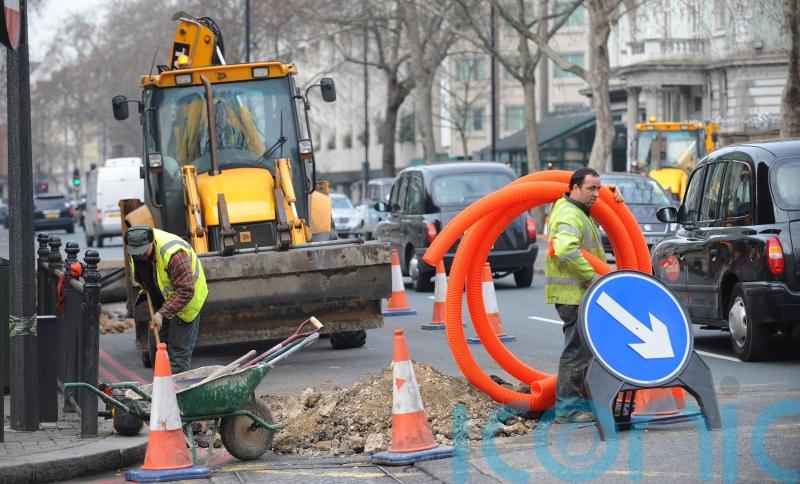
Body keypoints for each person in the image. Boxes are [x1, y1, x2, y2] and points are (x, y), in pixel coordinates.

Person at [545, 168, 623, 423]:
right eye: (591, 189)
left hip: (578, 295)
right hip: (575, 295)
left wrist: (610, 193)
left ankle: (581, 404)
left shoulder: (575, 209)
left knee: (585, 351)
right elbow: (564, 247)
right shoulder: (570, 213)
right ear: (575, 189)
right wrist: (591, 277)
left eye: (599, 188)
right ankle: (567, 410)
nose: (596, 194)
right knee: (577, 352)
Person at [125, 224, 208, 374]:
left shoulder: (174, 253)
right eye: (136, 252)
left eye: (143, 251)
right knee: (156, 351)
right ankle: (161, 389)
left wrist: (162, 313)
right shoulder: (135, 250)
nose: (139, 255)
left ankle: (177, 394)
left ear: (152, 242)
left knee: (177, 354)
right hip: (162, 300)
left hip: (186, 301)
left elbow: (187, 290)